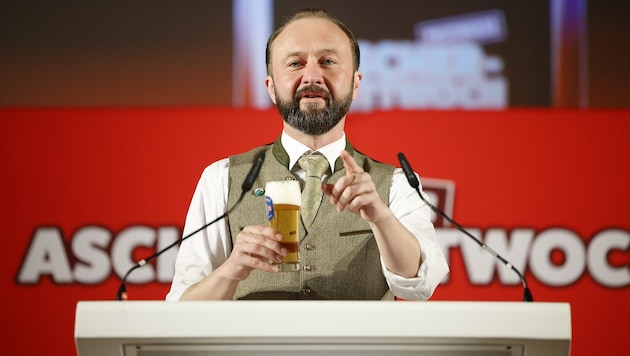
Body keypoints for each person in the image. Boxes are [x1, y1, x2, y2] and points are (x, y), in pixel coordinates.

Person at [166, 8, 448, 301]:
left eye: (328, 62)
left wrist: (380, 217)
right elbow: (182, 307)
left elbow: (419, 285)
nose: (312, 75)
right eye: (295, 63)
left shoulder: (397, 184)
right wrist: (231, 270)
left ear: (355, 83)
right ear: (271, 88)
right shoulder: (222, 178)